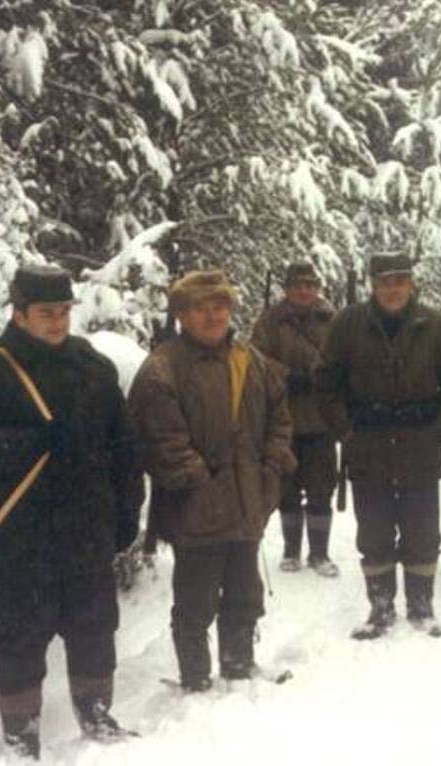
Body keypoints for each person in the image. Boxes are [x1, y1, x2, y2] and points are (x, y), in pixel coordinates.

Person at [0, 264, 144, 760]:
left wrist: (126, 511)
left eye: (64, 311)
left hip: (86, 528)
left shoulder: (93, 368)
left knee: (95, 625)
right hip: (18, 536)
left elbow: (124, 446)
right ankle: (21, 730)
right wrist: (23, 444)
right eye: (46, 313)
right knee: (20, 635)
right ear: (19, 314)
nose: (57, 322)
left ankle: (95, 711)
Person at [128, 270, 295, 692]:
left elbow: (279, 419)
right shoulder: (162, 368)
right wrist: (199, 480)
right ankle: (195, 678)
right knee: (195, 601)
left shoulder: (251, 361)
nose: (212, 315)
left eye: (219, 306)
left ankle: (239, 665)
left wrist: (271, 468)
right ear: (182, 315)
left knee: (245, 593)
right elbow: (161, 439)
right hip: (194, 510)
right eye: (200, 308)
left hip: (247, 503)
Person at [318, 254, 441, 639]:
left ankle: (422, 606)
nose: (393, 289)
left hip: (420, 444)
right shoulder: (347, 324)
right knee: (374, 532)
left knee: (422, 530)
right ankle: (380, 608)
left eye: (400, 281)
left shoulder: (434, 324)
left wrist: (440, 430)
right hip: (367, 445)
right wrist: (346, 431)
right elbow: (326, 384)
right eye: (385, 282)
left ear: (411, 283)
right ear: (373, 284)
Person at [251, 262, 339, 576]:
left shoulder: (332, 320)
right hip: (281, 421)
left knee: (321, 489)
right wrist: (286, 377)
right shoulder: (270, 320)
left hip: (320, 421)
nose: (304, 291)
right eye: (298, 285)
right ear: (287, 289)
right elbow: (257, 359)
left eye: (310, 285)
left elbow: (341, 360)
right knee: (286, 490)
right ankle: (291, 551)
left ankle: (319, 553)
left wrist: (317, 378)